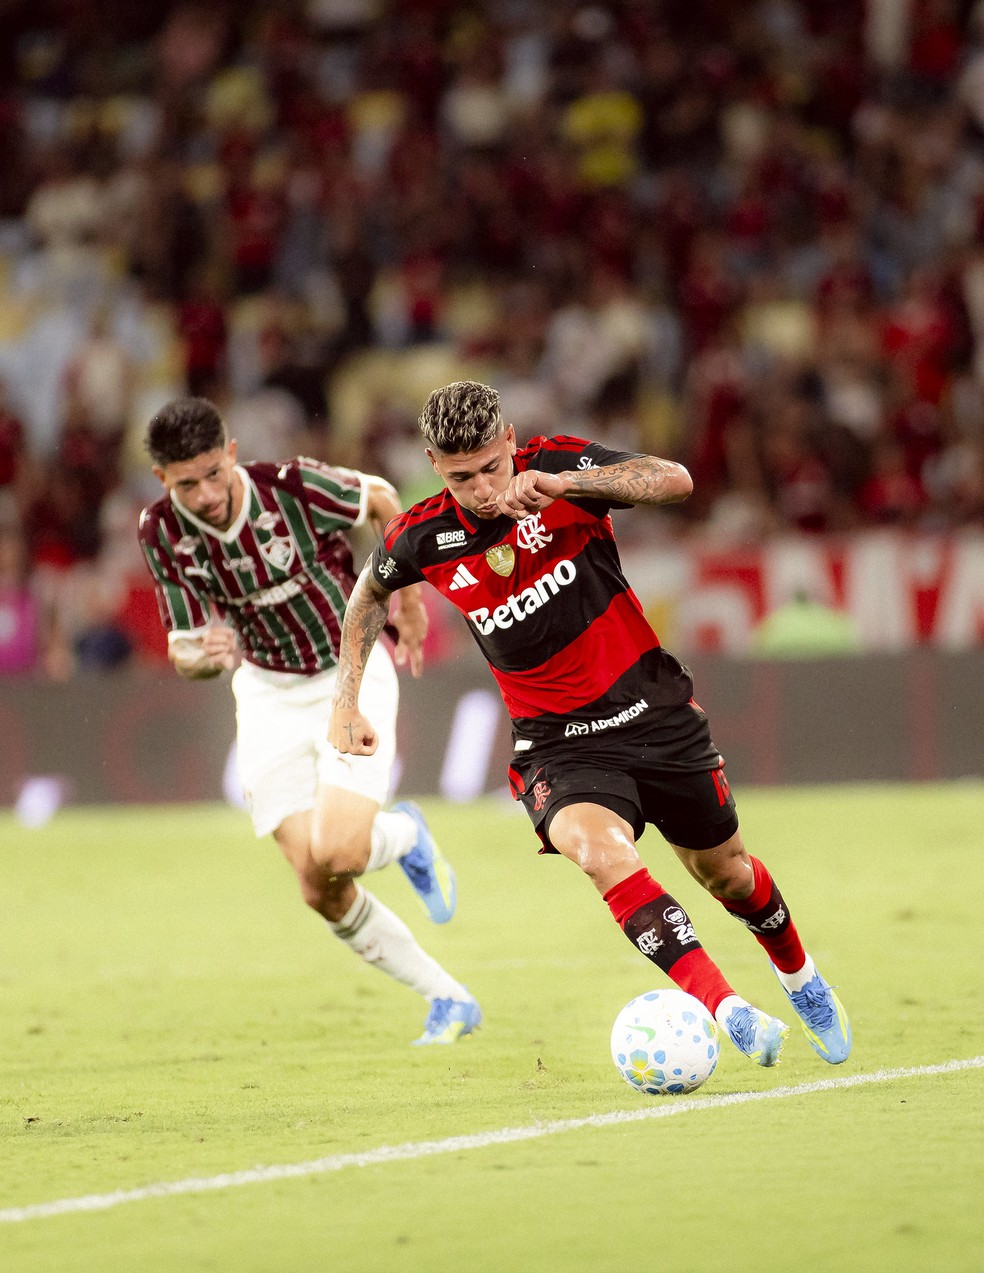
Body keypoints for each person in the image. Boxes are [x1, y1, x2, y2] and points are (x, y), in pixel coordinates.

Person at [330, 380, 851, 1068]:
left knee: (728, 876)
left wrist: (569, 484)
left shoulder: (559, 467)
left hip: (653, 713)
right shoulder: (424, 535)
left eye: (491, 467)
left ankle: (801, 978)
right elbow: (370, 591)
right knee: (601, 855)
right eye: (461, 477)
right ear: (433, 464)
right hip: (556, 745)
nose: (482, 489)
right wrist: (346, 702)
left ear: (510, 440)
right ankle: (728, 1010)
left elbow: (675, 480)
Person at [138, 396, 481, 1045]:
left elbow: (381, 498)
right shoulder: (160, 531)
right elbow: (182, 646)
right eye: (187, 484)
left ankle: (404, 834)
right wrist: (201, 656)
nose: (206, 494)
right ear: (163, 480)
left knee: (341, 851)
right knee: (318, 885)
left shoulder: (288, 488)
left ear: (231, 453)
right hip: (266, 692)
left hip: (348, 672)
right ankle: (448, 996)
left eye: (213, 473)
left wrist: (409, 600)